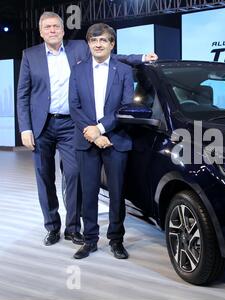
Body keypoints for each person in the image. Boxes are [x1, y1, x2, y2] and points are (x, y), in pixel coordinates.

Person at [17, 11, 158, 247]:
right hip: (41, 125)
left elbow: (112, 57)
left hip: (72, 124)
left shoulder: (79, 48)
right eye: (47, 27)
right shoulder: (29, 56)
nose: (52, 30)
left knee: (73, 176)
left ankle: (73, 228)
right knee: (44, 177)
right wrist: (25, 128)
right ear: (41, 32)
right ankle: (52, 226)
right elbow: (23, 95)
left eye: (56, 26)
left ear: (63, 30)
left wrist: (142, 57)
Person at [69, 23, 134, 259]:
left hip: (115, 138)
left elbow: (125, 107)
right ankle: (90, 240)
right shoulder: (77, 70)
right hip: (86, 140)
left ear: (112, 44)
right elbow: (74, 106)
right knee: (88, 192)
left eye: (103, 40)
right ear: (88, 44)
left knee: (117, 193)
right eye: (93, 41)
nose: (98, 44)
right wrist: (93, 133)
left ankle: (116, 240)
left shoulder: (124, 70)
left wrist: (101, 129)